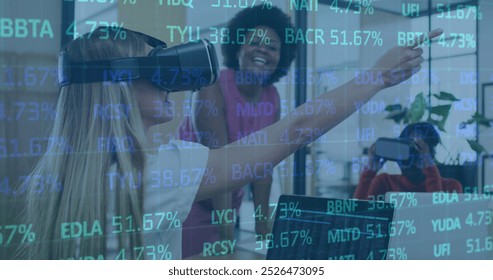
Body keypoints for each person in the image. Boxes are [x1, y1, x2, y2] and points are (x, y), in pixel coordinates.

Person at [21, 24, 441, 259]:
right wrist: (377, 77)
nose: (169, 84)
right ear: (117, 87)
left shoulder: (51, 180)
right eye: (155, 72)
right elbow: (295, 131)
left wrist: (260, 230)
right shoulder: (155, 173)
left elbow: (259, 163)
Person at [178, 6, 297, 258]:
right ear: (238, 48)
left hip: (228, 205)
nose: (263, 50)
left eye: (273, 47)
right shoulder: (212, 86)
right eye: (255, 42)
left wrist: (263, 231)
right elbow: (218, 165)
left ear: (281, 57)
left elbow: (264, 167)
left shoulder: (272, 96)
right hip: (189, 205)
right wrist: (227, 238)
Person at [353, 122, 463, 201]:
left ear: (431, 155)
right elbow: (358, 216)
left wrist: (430, 170)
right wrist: (370, 171)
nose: (410, 156)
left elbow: (437, 219)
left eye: (417, 149)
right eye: (405, 147)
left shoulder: (451, 187)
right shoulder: (384, 182)